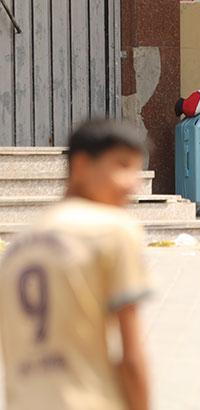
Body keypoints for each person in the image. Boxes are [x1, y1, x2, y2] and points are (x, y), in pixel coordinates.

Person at [0, 120, 151, 410]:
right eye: (122, 166)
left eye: (136, 169)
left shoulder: (18, 249)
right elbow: (131, 357)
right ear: (81, 165)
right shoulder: (114, 230)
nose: (134, 184)